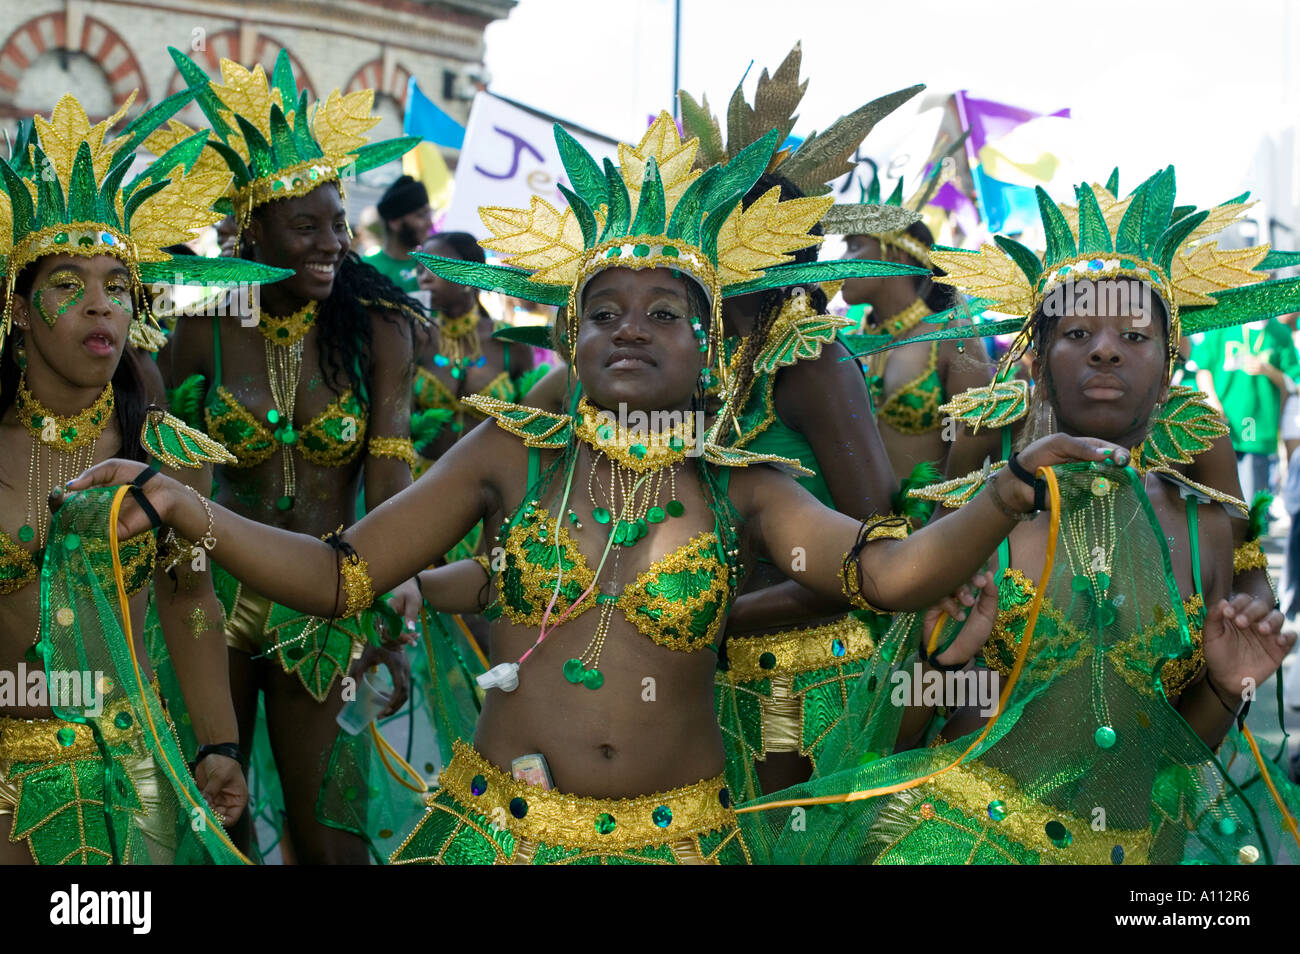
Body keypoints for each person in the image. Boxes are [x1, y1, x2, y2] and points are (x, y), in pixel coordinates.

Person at [74, 112, 1122, 866]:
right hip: (503, 837)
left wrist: (1004, 496)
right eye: (604, 309)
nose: (629, 326)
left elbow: (883, 574)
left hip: (686, 841)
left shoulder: (745, 486)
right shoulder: (504, 455)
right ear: (568, 338)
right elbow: (344, 573)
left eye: (663, 312)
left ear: (709, 349)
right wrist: (191, 507)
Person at [737, 168, 1300, 864]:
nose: (1104, 348)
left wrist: (1225, 682)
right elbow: (894, 743)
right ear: (1034, 361)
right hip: (966, 844)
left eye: (1134, 335)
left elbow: (1181, 757)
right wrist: (942, 661)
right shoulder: (969, 519)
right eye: (1076, 332)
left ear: (1171, 361)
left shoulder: (1206, 527)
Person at [0, 92, 292, 864]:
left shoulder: (167, 456)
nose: (99, 303)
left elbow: (190, 601)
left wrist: (218, 743)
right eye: (67, 283)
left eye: (117, 286)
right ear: (20, 308)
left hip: (134, 770)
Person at [163, 47, 424, 863]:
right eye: (306, 226)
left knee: (327, 828)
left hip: (323, 595)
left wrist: (392, 580)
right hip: (213, 596)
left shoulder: (377, 330)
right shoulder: (200, 328)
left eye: (339, 223)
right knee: (219, 818)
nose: (332, 243)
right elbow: (166, 477)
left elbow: (388, 470)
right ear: (253, 227)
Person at [678, 50, 915, 798]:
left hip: (795, 675)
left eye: (709, 222)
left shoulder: (811, 363)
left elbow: (877, 545)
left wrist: (721, 620)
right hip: (706, 656)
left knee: (780, 825)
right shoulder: (707, 354)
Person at [836, 164, 997, 483]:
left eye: (855, 246)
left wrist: (938, 526)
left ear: (896, 254)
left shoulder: (952, 335)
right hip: (854, 529)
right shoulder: (849, 341)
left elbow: (978, 448)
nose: (841, 260)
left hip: (930, 528)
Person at [411, 231, 537, 474]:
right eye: (419, 268)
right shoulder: (417, 338)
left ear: (470, 275)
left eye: (434, 266)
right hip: (421, 484)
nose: (423, 278)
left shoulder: (510, 342)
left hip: (490, 492)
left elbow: (532, 429)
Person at [1192, 317, 1300, 505]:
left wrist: (1268, 370)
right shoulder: (1223, 323)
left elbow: (1294, 382)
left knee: (1250, 506)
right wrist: (1211, 400)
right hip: (1222, 425)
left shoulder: (1280, 333)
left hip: (1259, 429)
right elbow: (1203, 368)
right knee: (1216, 500)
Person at [366, 175, 433, 293]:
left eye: (429, 214)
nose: (430, 223)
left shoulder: (433, 266)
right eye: (421, 215)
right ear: (394, 223)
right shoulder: (368, 268)